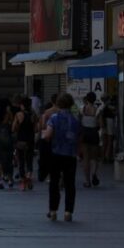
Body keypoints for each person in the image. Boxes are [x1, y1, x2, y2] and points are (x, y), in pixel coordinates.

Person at [42, 92, 82, 221]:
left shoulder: (54, 118)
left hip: (56, 153)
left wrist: (45, 138)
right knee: (70, 183)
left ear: (58, 103)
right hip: (70, 154)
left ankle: (53, 211)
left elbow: (48, 135)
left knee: (54, 182)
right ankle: (68, 212)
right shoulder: (75, 120)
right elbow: (79, 138)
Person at [13, 97, 36, 191]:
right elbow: (37, 128)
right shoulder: (33, 114)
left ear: (22, 105)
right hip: (30, 140)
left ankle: (23, 182)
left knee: (21, 161)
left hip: (21, 140)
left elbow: (13, 128)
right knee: (29, 160)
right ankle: (29, 178)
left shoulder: (19, 114)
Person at [79, 92, 101, 188]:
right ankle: (94, 173)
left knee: (86, 158)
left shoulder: (82, 109)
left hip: (85, 134)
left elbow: (79, 121)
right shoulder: (97, 110)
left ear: (87, 99)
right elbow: (101, 124)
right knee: (94, 157)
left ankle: (87, 181)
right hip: (94, 133)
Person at [0, 102, 14, 189]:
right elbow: (11, 123)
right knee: (8, 159)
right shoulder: (7, 114)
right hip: (7, 140)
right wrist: (9, 113)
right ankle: (9, 178)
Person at [100, 94, 118, 162]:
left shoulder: (102, 106)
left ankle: (103, 157)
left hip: (104, 123)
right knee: (110, 140)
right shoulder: (110, 105)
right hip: (110, 121)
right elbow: (115, 113)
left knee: (105, 141)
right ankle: (108, 157)